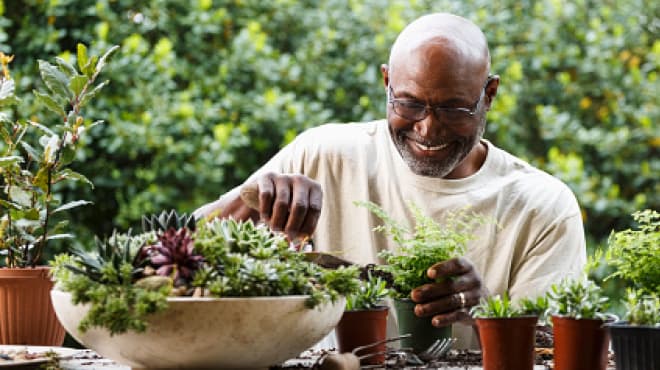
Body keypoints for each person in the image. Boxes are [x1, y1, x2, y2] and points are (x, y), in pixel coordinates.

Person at [195, 12, 586, 348]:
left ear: (490, 93)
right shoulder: (323, 154)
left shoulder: (543, 206)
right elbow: (180, 254)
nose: (428, 128)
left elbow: (555, 352)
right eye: (409, 103)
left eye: (454, 107)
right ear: (386, 83)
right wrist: (255, 205)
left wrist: (486, 313)